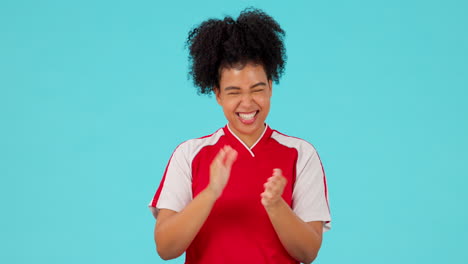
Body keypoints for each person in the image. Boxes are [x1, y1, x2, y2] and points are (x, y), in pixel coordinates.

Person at [148, 7, 331, 264]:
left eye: (257, 89)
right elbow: (165, 248)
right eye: (234, 92)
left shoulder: (301, 154)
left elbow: (308, 251)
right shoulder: (190, 154)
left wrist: (276, 205)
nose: (247, 103)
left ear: (270, 87)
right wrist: (211, 192)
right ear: (218, 94)